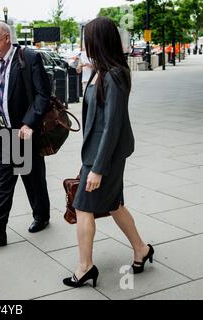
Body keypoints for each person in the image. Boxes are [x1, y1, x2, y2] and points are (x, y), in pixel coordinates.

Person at [63, 17, 154, 288]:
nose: (84, 44)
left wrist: (98, 168)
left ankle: (85, 267)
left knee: (82, 207)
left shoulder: (114, 75)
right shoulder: (100, 71)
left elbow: (112, 126)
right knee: (114, 205)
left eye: (87, 38)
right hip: (96, 154)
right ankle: (141, 249)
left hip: (105, 157)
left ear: (98, 41)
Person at [0, 22, 51, 246]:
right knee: (3, 182)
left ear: (6, 38)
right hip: (2, 135)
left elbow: (43, 94)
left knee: (33, 178)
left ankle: (41, 216)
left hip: (24, 133)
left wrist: (29, 123)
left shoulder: (27, 58)